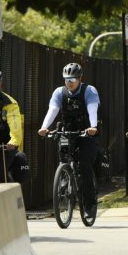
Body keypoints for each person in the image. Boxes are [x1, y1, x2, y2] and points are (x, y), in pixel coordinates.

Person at [38, 62, 100, 216]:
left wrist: (93, 127)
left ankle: (89, 206)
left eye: (72, 79)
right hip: (67, 131)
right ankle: (64, 175)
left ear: (80, 79)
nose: (69, 82)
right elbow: (52, 110)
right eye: (66, 79)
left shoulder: (89, 91)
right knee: (63, 158)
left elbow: (93, 110)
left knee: (84, 166)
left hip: (86, 133)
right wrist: (44, 127)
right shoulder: (60, 92)